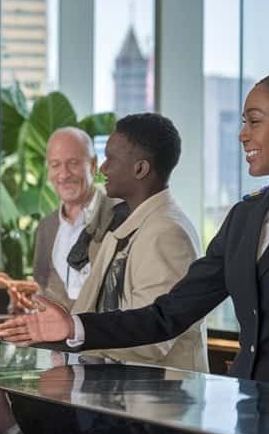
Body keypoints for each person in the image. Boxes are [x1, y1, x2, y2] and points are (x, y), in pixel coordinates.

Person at [0, 69, 269, 397]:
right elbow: (170, 313)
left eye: (255, 121)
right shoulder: (246, 215)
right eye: (243, 122)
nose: (243, 134)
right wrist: (76, 327)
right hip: (249, 412)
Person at [18, 114, 207, 372]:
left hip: (155, 405)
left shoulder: (166, 232)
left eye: (111, 159)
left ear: (140, 169)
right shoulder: (127, 225)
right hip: (114, 393)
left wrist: (76, 330)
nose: (104, 169)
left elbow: (152, 339)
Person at [29, 127, 123, 312]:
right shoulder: (45, 229)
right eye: (55, 165)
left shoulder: (121, 215)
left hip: (112, 339)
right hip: (58, 340)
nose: (64, 174)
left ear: (93, 165)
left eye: (73, 163)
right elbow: (43, 290)